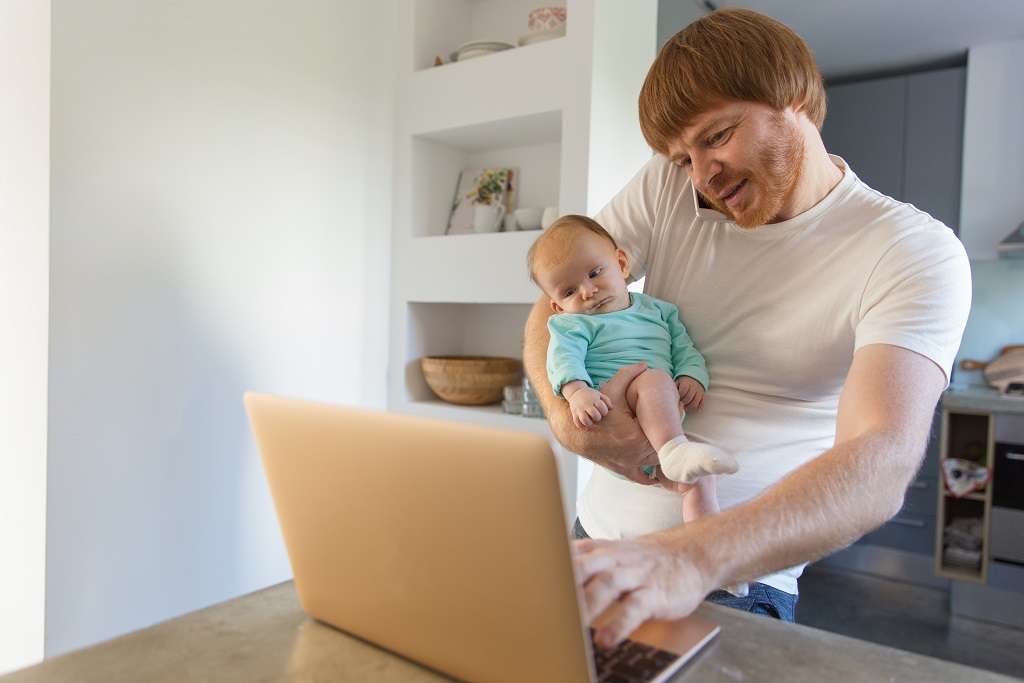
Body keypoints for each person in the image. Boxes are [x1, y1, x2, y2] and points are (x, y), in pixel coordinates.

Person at [522, 7, 971, 647]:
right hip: (595, 540)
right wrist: (563, 417)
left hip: (733, 579)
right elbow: (554, 299)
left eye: (718, 136)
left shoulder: (911, 250)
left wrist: (692, 555)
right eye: (682, 158)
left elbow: (882, 457)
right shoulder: (671, 187)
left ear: (793, 99)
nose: (701, 176)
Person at [527, 215, 742, 555]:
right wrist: (578, 392)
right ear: (557, 307)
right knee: (654, 378)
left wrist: (691, 376)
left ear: (622, 263)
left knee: (700, 481)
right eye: (569, 291)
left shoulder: (660, 311)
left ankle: (709, 546)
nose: (588, 291)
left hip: (657, 431)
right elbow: (562, 361)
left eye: (595, 273)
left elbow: (684, 347)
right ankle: (674, 450)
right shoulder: (572, 326)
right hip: (615, 410)